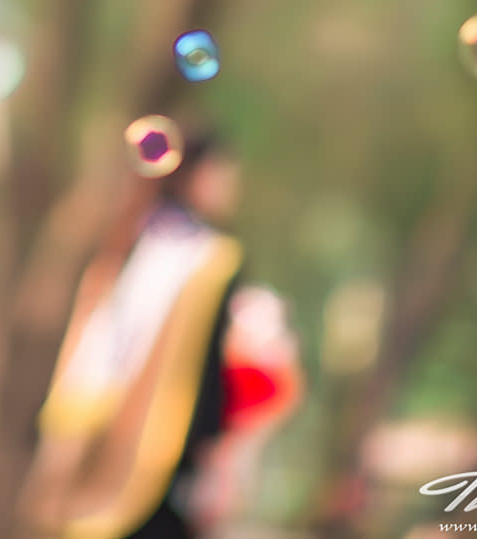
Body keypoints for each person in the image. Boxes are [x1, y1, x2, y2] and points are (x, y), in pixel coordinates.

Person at [20, 123, 304, 539]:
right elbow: (206, 366)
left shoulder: (127, 241)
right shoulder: (212, 259)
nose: (231, 187)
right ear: (201, 175)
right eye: (226, 174)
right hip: (168, 451)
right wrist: (212, 444)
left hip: (93, 428)